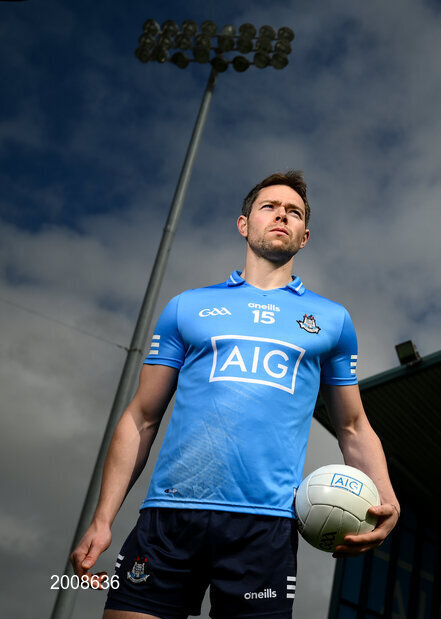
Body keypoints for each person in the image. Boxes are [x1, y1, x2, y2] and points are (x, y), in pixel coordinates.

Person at [69, 170, 400, 618]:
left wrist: (387, 500)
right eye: (270, 207)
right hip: (169, 518)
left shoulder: (332, 321)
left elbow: (353, 426)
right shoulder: (187, 307)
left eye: (294, 212)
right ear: (244, 224)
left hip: (265, 528)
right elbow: (141, 418)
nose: (282, 215)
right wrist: (103, 519)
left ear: (304, 237)